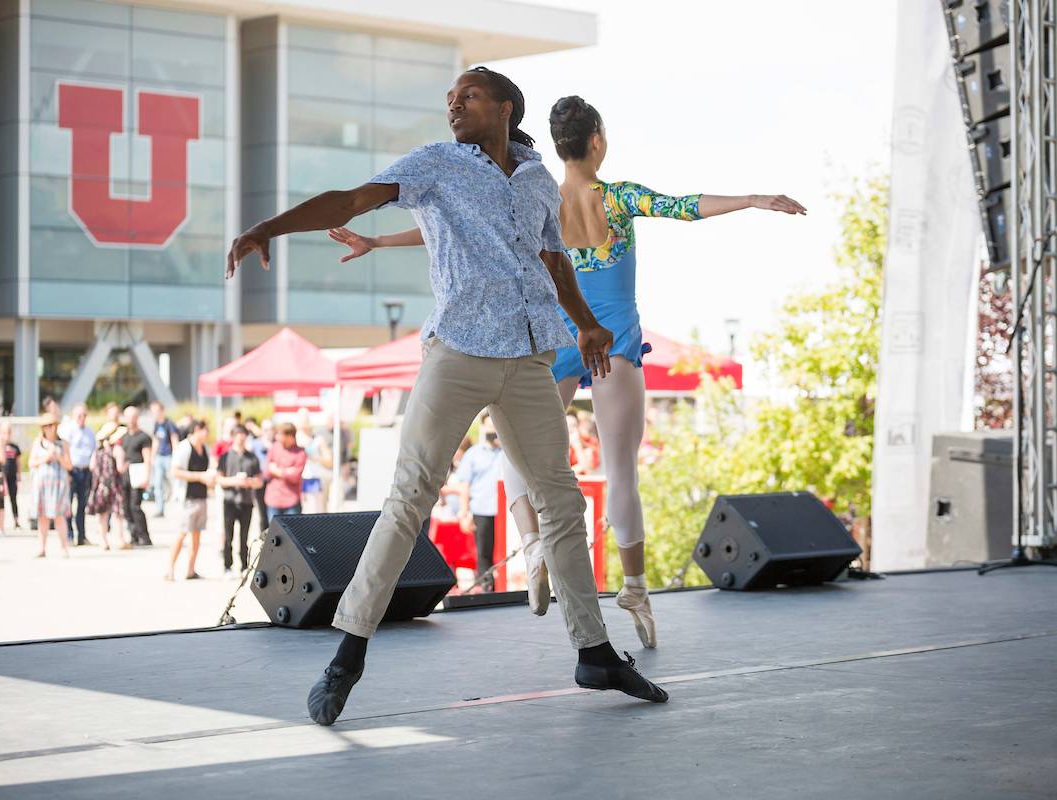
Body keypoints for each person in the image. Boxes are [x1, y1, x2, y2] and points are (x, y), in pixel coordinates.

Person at [227, 66, 667, 727]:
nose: (455, 105)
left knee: (562, 499)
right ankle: (347, 655)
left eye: (469, 96)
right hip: (457, 352)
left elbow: (552, 261)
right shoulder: (435, 164)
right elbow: (348, 200)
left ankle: (594, 651)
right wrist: (270, 225)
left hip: (527, 358)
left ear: (505, 107)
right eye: (450, 99)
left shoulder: (538, 180)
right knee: (410, 499)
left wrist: (585, 321)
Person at [332, 94, 806, 647]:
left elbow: (452, 229)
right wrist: (753, 199)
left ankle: (533, 546)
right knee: (622, 469)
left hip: (555, 337)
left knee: (518, 454)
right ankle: (634, 589)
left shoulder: (536, 196)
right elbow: (685, 205)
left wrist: (379, 240)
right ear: (598, 141)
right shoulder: (620, 198)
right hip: (613, 340)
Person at [456, 414, 503, 592]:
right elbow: (464, 485)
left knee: (504, 551)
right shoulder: (473, 454)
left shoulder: (507, 451)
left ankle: (505, 587)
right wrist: (464, 512)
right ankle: (487, 588)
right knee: (484, 552)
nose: (492, 431)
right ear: (483, 428)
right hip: (482, 509)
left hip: (505, 511)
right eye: (489, 427)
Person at [166, 419, 214, 581]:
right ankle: (170, 569)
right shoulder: (184, 447)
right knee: (181, 534)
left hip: (201, 497)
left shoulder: (205, 449)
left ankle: (191, 570)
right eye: (205, 430)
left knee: (196, 536)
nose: (207, 434)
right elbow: (175, 471)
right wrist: (199, 477)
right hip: (186, 498)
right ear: (197, 430)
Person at [217, 425, 263, 576]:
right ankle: (227, 566)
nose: (241, 438)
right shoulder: (225, 457)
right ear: (233, 437)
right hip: (230, 501)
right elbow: (219, 479)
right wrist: (235, 481)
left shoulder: (252, 457)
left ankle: (244, 565)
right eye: (238, 435)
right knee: (228, 536)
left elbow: (259, 480)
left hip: (247, 501)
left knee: (245, 536)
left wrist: (249, 482)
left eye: (244, 435)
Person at [29, 412, 71, 558]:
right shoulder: (38, 442)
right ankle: (42, 548)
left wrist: (57, 456)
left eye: (52, 425)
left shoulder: (63, 443)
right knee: (43, 517)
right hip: (42, 484)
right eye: (47, 426)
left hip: (58, 483)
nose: (50, 429)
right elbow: (31, 463)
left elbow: (69, 465)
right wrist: (46, 457)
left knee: (59, 516)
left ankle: (64, 547)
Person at [89, 423, 130, 550]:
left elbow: (91, 466)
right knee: (118, 514)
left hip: (101, 485)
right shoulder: (117, 449)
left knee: (102, 514)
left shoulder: (98, 450)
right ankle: (120, 540)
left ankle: (103, 541)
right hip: (114, 485)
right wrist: (127, 464)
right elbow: (120, 468)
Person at [62, 404, 96, 545]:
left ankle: (82, 536)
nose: (82, 418)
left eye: (84, 415)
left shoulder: (89, 432)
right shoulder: (69, 430)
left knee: (82, 505)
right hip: (72, 471)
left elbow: (94, 449)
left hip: (85, 471)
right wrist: (68, 470)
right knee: (68, 505)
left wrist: (92, 463)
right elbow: (65, 451)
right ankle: (69, 535)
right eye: (79, 415)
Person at [120, 406, 153, 546]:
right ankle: (133, 535)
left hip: (138, 474)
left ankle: (144, 536)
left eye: (133, 417)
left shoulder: (144, 437)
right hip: (126, 476)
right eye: (128, 417)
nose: (131, 420)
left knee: (135, 506)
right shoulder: (124, 436)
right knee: (126, 507)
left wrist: (147, 476)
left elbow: (147, 457)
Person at [263, 422, 305, 518]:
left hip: (291, 500)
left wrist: (277, 470)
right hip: (273, 498)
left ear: (290, 437)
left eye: (281, 436)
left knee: (291, 532)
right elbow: (267, 471)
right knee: (274, 531)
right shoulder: (274, 448)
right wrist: (287, 471)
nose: (278, 438)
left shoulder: (300, 453)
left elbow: (295, 476)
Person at [149, 401, 180, 518]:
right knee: (157, 484)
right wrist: (152, 456)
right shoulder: (157, 424)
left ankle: (179, 506)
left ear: (162, 411)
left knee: (175, 482)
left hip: (169, 457)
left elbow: (174, 440)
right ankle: (160, 509)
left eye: (156, 411)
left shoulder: (169, 424)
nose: (154, 414)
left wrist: (176, 457)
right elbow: (156, 440)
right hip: (159, 457)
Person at [0, 421, 20, 532]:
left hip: (12, 476)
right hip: (2, 476)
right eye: (4, 433)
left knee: (13, 498)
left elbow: (18, 463)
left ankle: (16, 520)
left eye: (8, 433)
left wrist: (19, 475)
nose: (7, 435)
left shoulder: (15, 447)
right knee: (0, 499)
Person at [249, 418, 272, 531]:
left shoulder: (276, 444)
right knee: (263, 515)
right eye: (266, 429)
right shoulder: (255, 444)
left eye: (270, 429)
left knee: (273, 515)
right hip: (260, 483)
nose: (268, 432)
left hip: (274, 484)